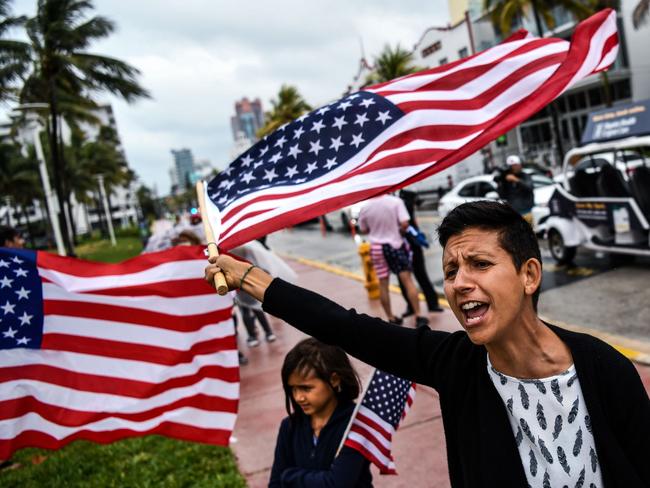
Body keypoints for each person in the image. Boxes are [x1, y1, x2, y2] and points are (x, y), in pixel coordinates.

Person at [205, 201, 650, 487]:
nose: (460, 283)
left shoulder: (602, 367)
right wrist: (252, 279)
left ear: (529, 275)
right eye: (451, 270)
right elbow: (346, 327)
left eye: (479, 263)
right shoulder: (453, 363)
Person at [269, 338, 373, 487]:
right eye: (293, 388)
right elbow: (275, 483)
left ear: (335, 379)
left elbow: (337, 483)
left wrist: (289, 476)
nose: (298, 397)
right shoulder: (289, 426)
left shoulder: (356, 424)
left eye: (306, 388)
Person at [357, 194, 428, 327]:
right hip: (395, 246)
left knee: (383, 284)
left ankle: (391, 317)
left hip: (377, 248)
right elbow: (405, 223)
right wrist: (398, 232)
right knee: (408, 281)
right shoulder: (396, 202)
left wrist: (376, 230)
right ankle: (418, 316)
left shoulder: (365, 207)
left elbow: (363, 229)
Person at [398, 189, 443, 318]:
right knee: (420, 275)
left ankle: (412, 306)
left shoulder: (399, 204)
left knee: (405, 279)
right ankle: (432, 303)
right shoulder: (404, 205)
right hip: (411, 245)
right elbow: (411, 223)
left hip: (402, 246)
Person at [495, 155, 535, 221]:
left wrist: (516, 180)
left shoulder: (525, 176)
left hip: (526, 212)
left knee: (528, 230)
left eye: (516, 165)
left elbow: (529, 187)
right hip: (513, 214)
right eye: (512, 166)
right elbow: (502, 195)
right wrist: (500, 183)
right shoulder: (506, 179)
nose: (515, 167)